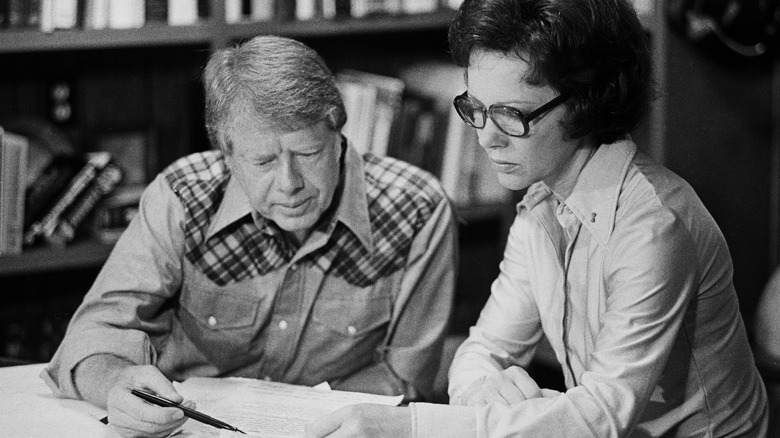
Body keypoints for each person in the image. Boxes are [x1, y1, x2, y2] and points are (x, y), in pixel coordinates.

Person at [304, 0, 769, 436]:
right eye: (476, 109)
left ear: (587, 102)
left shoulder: (653, 227)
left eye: (509, 115)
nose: (486, 139)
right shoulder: (540, 204)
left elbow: (601, 414)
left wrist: (410, 428)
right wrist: (486, 389)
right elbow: (482, 350)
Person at [42, 35, 457, 438]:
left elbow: (405, 376)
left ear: (338, 135)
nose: (289, 183)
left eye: (308, 154)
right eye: (262, 161)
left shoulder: (416, 209)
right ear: (227, 152)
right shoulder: (184, 196)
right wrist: (116, 384)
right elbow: (93, 334)